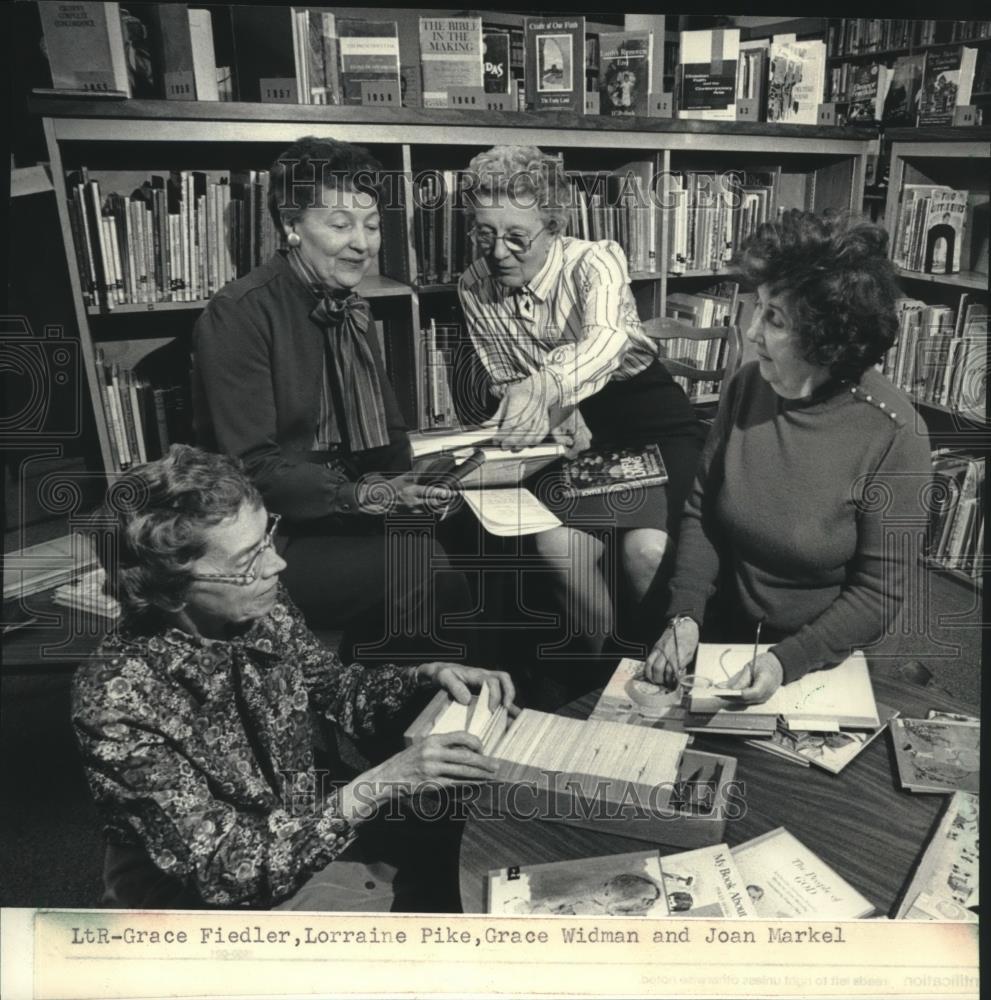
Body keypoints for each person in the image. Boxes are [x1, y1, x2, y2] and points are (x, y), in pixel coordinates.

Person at [71, 445, 514, 910]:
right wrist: (381, 784)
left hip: (298, 821)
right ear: (169, 587)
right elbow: (227, 872)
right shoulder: (114, 700)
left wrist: (425, 675)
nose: (276, 565)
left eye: (268, 538)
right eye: (247, 560)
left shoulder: (261, 606)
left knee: (475, 859)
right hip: (204, 903)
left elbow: (336, 690)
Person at [192, 135, 472, 665]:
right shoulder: (239, 314)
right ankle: (402, 716)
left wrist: (416, 488)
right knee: (421, 566)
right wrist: (371, 495)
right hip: (274, 539)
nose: (362, 244)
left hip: (346, 513)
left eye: (370, 226)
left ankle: (479, 702)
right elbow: (251, 469)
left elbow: (386, 436)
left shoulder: (348, 307)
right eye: (340, 225)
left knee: (480, 532)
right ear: (291, 226)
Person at [645, 211, 933, 703]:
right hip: (724, 640)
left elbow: (877, 594)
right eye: (757, 308)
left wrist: (786, 660)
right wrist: (685, 616)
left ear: (826, 337)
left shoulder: (895, 433)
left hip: (819, 655)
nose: (752, 331)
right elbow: (702, 512)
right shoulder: (746, 386)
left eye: (773, 318)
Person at [457, 145, 706, 657]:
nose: (498, 252)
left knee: (646, 551)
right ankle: (604, 672)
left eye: (516, 237)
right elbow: (505, 375)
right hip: (569, 434)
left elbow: (607, 341)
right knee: (556, 547)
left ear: (554, 227)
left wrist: (547, 389)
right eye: (485, 233)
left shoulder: (597, 261)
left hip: (649, 422)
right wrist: (554, 409)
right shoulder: (473, 285)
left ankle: (659, 679)